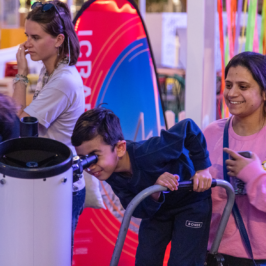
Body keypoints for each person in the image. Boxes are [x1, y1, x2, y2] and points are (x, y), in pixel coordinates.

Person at [71, 106, 213, 266]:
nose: (90, 166)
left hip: (191, 203)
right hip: (158, 211)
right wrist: (154, 193)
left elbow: (188, 127)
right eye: (84, 159)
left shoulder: (151, 151)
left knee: (183, 262)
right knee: (146, 259)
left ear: (119, 148)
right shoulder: (110, 172)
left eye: (94, 157)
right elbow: (137, 209)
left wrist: (202, 169)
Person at [12, 0, 85, 253]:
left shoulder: (62, 81)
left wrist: (21, 73)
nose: (26, 44)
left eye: (35, 37)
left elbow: (20, 123)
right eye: (26, 36)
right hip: (52, 180)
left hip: (59, 187)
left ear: (58, 40)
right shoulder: (50, 72)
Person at [204, 52, 266, 266]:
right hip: (214, 255)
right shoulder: (211, 133)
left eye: (243, 86)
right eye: (228, 84)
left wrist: (254, 176)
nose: (232, 93)